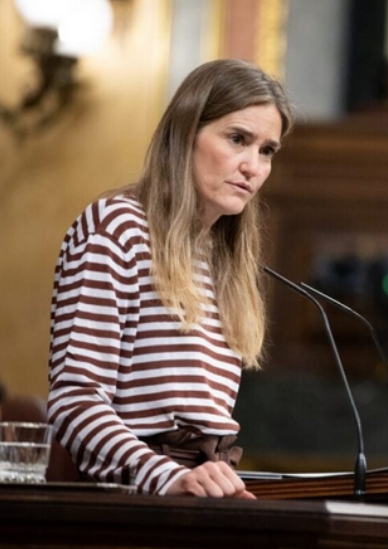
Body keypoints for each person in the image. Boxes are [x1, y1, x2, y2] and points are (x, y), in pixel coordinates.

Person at [47, 59, 292, 497]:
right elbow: (75, 399)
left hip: (198, 492)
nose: (253, 166)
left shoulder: (224, 259)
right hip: (127, 500)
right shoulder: (118, 227)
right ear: (185, 133)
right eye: (238, 139)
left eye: (267, 151)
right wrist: (165, 475)